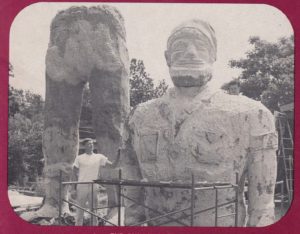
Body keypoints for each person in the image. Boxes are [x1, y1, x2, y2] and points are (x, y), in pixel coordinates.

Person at [122, 19, 278, 227]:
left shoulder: (252, 115)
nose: (190, 52)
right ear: (167, 57)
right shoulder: (139, 117)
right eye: (180, 46)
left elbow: (263, 208)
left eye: (201, 45)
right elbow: (133, 200)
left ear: (214, 54)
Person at [72, 138, 120, 226]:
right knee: (79, 210)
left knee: (94, 210)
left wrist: (118, 154)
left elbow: (113, 165)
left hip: (93, 185)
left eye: (92, 144)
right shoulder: (79, 158)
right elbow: (74, 171)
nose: (91, 145)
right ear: (85, 146)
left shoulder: (99, 157)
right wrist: (74, 187)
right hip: (81, 185)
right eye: (89, 144)